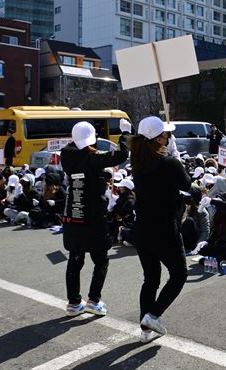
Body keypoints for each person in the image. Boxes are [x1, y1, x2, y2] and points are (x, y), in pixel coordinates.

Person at [130, 116, 191, 342]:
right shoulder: (168, 163)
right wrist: (175, 158)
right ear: (158, 138)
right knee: (179, 274)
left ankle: (146, 330)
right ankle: (153, 315)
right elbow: (187, 184)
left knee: (151, 278)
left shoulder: (138, 161)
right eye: (166, 134)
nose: (169, 137)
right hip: (164, 228)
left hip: (142, 227)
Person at [60, 121, 129, 318]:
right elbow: (121, 155)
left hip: (73, 214)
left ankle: (74, 303)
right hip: (93, 217)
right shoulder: (91, 158)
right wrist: (124, 135)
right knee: (101, 260)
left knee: (75, 259)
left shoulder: (66, 156)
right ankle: (94, 300)